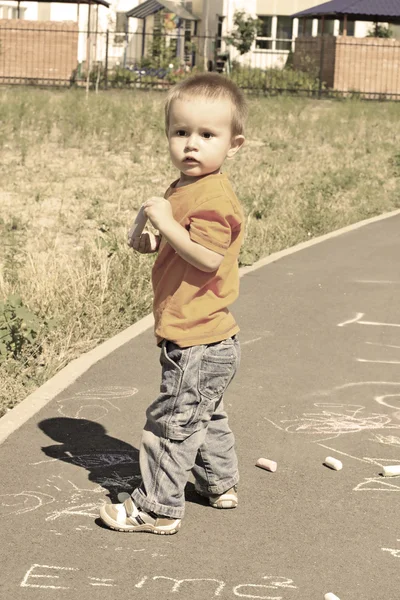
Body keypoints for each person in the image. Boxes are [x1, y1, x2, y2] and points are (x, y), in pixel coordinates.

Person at [99, 73, 247, 535]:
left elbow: (206, 259)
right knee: (205, 414)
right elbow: (176, 246)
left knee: (171, 424)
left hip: (198, 339)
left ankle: (159, 508)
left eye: (207, 135)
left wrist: (165, 221)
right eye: (181, 132)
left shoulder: (216, 197)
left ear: (233, 144)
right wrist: (150, 237)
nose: (191, 145)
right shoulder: (182, 187)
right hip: (201, 336)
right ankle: (219, 484)